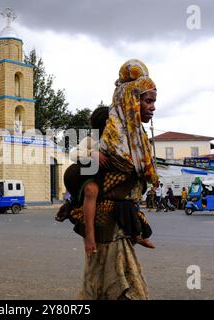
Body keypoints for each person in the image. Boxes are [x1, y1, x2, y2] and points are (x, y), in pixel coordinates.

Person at [79, 59, 159, 300]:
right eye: (148, 101)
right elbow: (89, 193)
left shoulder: (136, 142)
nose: (153, 107)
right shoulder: (99, 148)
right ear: (131, 101)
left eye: (154, 101)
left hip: (121, 227)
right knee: (110, 286)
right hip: (105, 229)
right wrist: (90, 237)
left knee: (114, 286)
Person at [57, 106, 155, 250]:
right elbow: (74, 154)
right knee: (91, 191)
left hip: (116, 180)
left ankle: (139, 235)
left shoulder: (121, 139)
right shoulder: (92, 139)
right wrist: (92, 154)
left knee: (130, 202)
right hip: (94, 176)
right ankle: (89, 235)